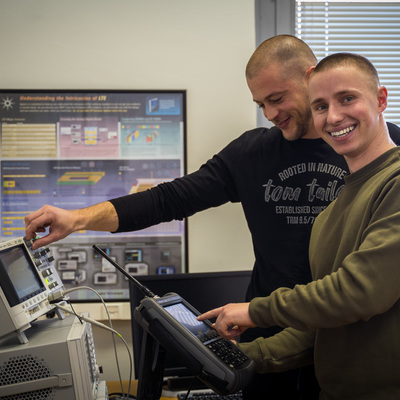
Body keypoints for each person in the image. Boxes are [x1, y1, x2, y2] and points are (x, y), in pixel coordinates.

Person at [24, 36, 400, 399]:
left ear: (310, 75)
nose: (270, 114)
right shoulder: (254, 155)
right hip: (276, 336)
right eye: (261, 104)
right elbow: (169, 199)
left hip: (358, 343)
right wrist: (77, 219)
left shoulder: (381, 157)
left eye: (277, 98)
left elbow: (361, 289)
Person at [198, 52, 400, 399]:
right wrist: (235, 357)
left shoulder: (394, 184)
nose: (334, 117)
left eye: (347, 98)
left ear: (380, 99)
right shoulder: (329, 215)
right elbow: (320, 328)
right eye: (320, 106)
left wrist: (254, 311)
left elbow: (358, 292)